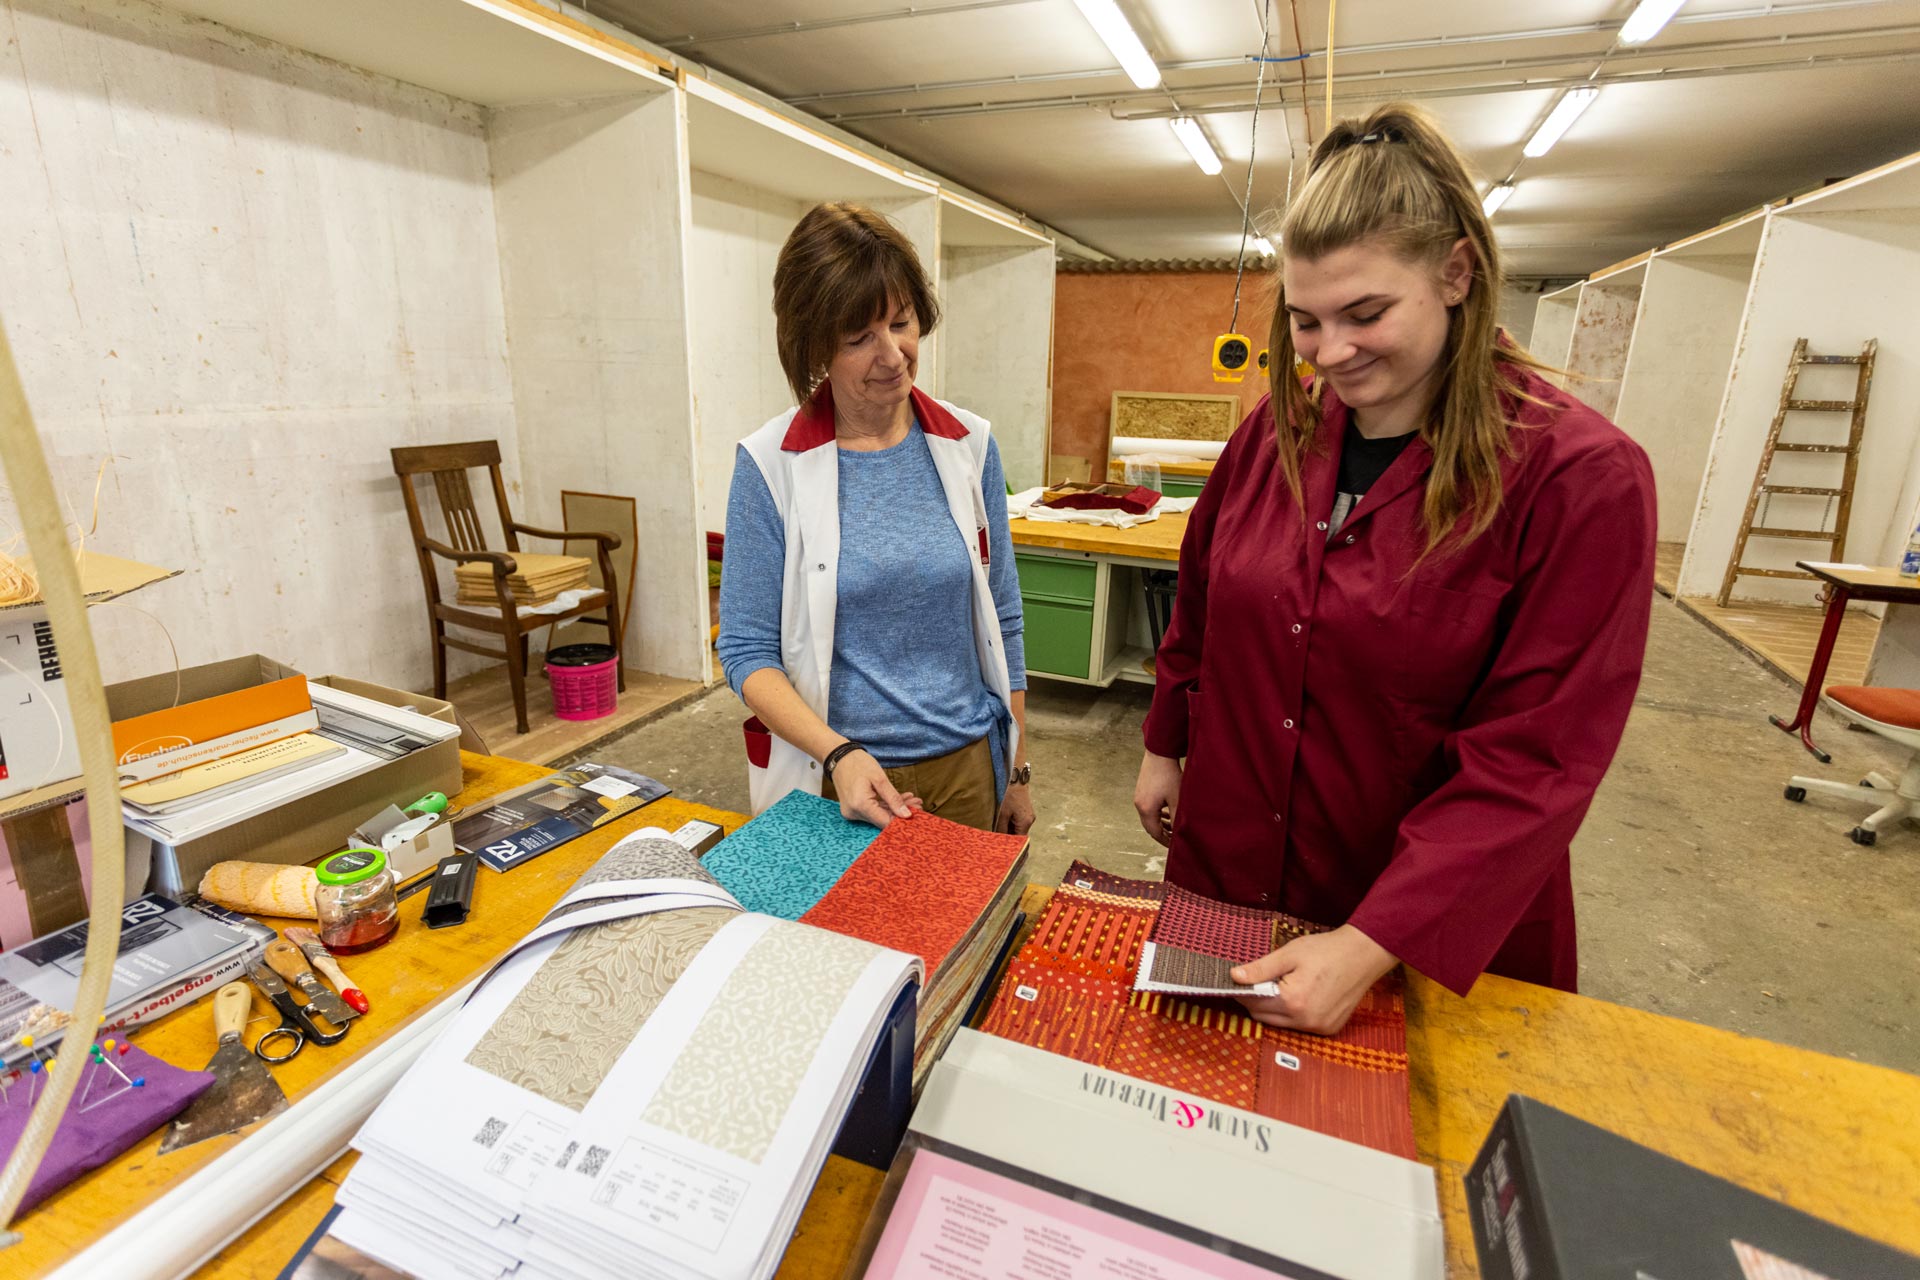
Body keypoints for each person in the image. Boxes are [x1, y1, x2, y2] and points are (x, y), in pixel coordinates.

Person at [1132, 103, 1655, 1035]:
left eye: (1366, 314)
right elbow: (1203, 600)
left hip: (1417, 917)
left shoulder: (1577, 477)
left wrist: (1373, 939)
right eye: (1304, 323)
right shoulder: (1278, 432)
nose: (1332, 353)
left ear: (1456, 273)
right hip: (1233, 861)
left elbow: (1534, 759)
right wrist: (1165, 744)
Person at [719, 201, 1034, 835]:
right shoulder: (769, 465)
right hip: (838, 783)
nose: (892, 354)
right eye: (859, 337)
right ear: (815, 348)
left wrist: (1017, 768)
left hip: (971, 769)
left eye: (902, 322)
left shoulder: (969, 445)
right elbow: (747, 651)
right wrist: (837, 752)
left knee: (967, 935)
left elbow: (1004, 618)